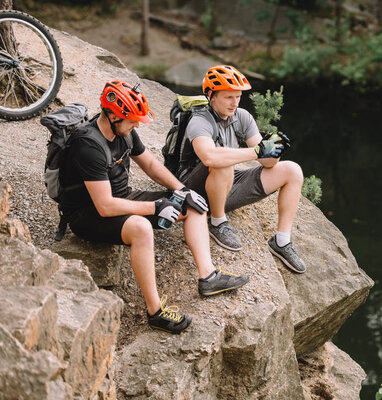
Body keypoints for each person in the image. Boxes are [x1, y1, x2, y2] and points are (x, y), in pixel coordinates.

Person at [59, 80, 249, 334]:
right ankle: (156, 312)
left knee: (194, 205)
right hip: (88, 214)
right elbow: (104, 206)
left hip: (123, 197)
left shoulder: (123, 131)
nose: (137, 124)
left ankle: (208, 276)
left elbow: (150, 165)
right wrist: (154, 207)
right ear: (114, 115)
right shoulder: (89, 146)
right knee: (140, 228)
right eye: (133, 120)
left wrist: (182, 190)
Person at [177, 65, 307, 273]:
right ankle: (217, 222)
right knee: (222, 162)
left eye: (237, 97)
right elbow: (209, 156)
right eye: (228, 97)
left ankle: (281, 241)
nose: (235, 103)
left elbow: (266, 162)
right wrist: (258, 151)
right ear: (211, 95)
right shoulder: (199, 121)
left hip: (225, 182)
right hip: (192, 191)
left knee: (292, 170)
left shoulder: (242, 116)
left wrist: (273, 150)